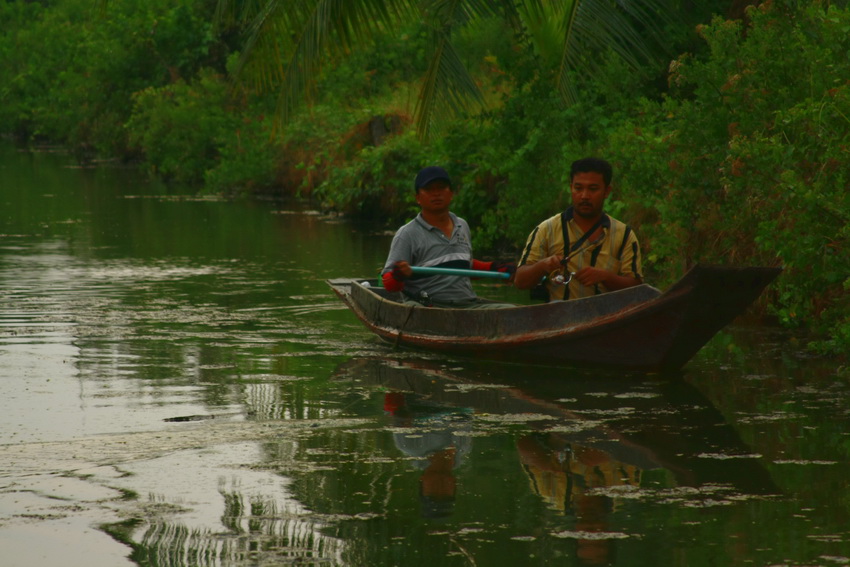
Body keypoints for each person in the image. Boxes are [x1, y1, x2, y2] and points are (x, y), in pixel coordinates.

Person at [381, 166, 515, 308]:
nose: (436, 194)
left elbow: (465, 265)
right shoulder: (407, 234)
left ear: (451, 193)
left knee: (510, 310)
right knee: (413, 309)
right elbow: (388, 283)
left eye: (441, 188)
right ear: (418, 198)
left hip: (466, 305)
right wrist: (399, 274)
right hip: (427, 307)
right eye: (429, 189)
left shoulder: (462, 225)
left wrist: (496, 267)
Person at [514, 157, 642, 302]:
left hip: (608, 317)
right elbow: (520, 281)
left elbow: (637, 287)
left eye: (593, 189)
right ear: (571, 188)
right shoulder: (546, 229)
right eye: (578, 188)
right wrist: (543, 265)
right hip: (558, 318)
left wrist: (605, 277)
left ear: (607, 191)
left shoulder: (624, 235)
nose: (584, 196)